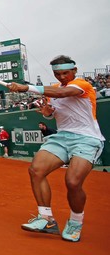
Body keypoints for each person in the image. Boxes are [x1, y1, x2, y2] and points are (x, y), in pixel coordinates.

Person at [8, 55, 105, 242]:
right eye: (57, 74)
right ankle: (46, 219)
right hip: (62, 137)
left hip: (87, 139)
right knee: (36, 170)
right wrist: (49, 113)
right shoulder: (53, 92)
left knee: (73, 182)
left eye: (65, 73)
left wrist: (25, 87)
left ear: (74, 71)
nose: (61, 77)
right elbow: (57, 110)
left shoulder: (82, 85)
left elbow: (63, 93)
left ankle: (76, 222)